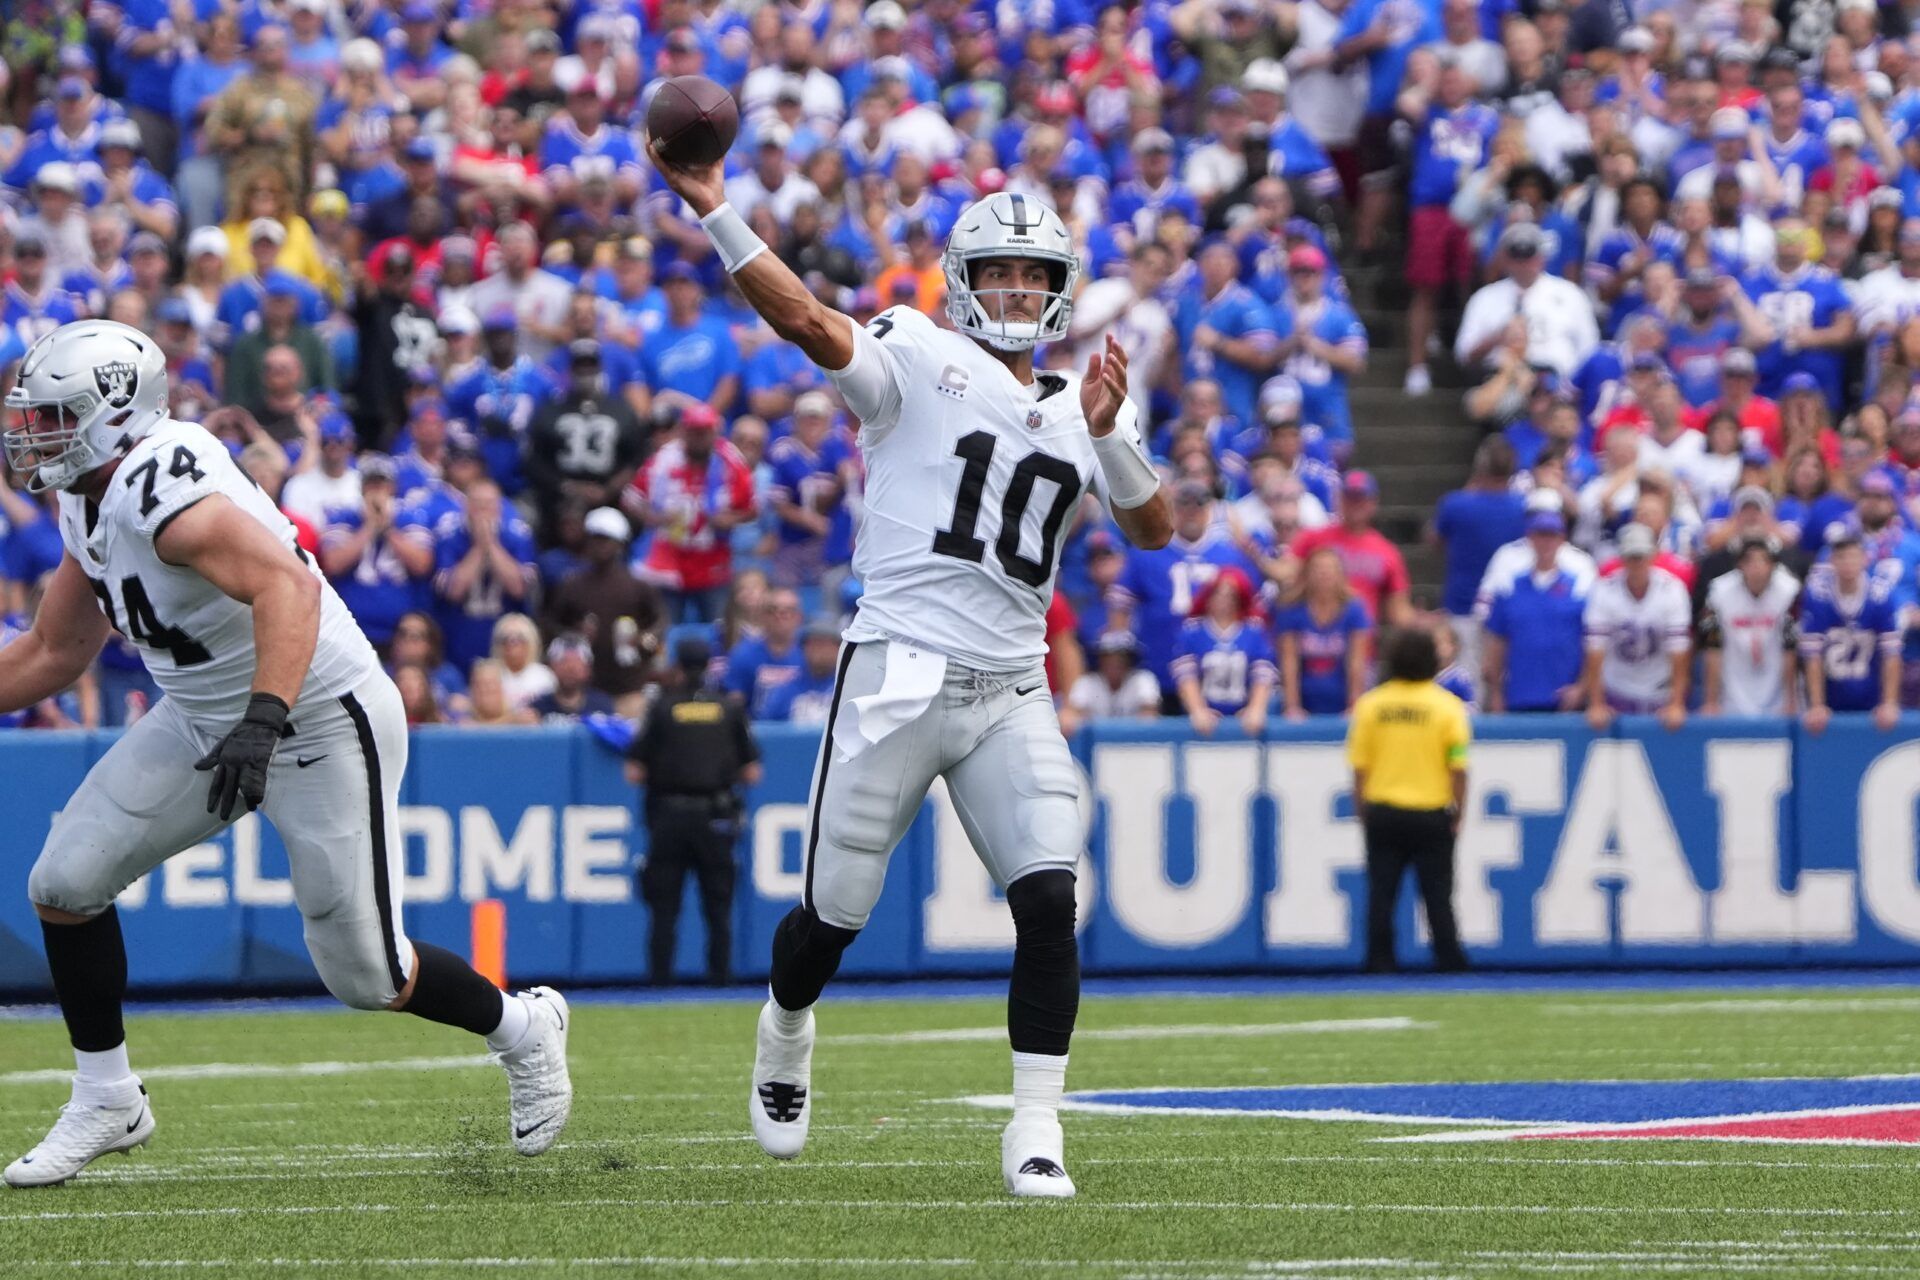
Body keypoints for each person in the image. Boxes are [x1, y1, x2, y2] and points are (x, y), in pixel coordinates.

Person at [648, 140, 1172, 1196]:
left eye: (1034, 275)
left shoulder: (1090, 404)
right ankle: (786, 1025)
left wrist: (1111, 437)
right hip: (899, 666)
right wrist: (716, 208)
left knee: (1048, 898)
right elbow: (806, 319)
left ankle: (1036, 1128)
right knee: (834, 913)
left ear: (1061, 288)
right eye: (999, 273)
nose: (1017, 291)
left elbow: (1155, 527)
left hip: (1010, 687)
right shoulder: (915, 353)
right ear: (963, 284)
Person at [0, 321, 570, 1188]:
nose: (30, 434)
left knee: (369, 974)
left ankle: (523, 1028)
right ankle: (108, 1096)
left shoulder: (162, 489)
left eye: (51, 417)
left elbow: (288, 584)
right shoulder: (88, 488)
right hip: (204, 716)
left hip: (315, 716)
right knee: (65, 885)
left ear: (113, 415)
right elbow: (53, 650)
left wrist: (264, 719)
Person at [624, 635, 762, 986]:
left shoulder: (662, 707)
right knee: (718, 906)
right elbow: (752, 772)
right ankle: (721, 980)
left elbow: (634, 771)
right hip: (715, 816)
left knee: (664, 907)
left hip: (669, 816)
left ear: (678, 665)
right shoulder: (728, 708)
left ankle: (659, 982)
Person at [1347, 626, 1470, 975]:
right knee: (1438, 895)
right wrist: (1458, 810)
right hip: (1431, 812)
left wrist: (1362, 809)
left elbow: (1360, 767)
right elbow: (1458, 767)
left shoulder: (1371, 706)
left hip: (1384, 810)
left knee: (1382, 894)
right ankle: (1449, 960)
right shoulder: (1447, 708)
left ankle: (1379, 960)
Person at [542, 507, 663, 717]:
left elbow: (660, 620)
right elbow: (549, 623)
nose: (601, 547)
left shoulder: (637, 586)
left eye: (607, 540)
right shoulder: (572, 586)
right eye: (596, 540)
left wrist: (645, 637)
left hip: (629, 687)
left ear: (620, 544)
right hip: (585, 694)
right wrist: (573, 634)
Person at [1581, 523, 1693, 731]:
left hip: (1659, 691)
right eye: (1631, 557)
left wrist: (1676, 703)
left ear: (1653, 555)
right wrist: (1596, 702)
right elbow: (1595, 649)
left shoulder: (1672, 590)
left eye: (1641, 556)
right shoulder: (1604, 591)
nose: (1636, 564)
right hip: (1617, 692)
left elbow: (1679, 651)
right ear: (1622, 558)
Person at [1481, 508, 1591, 714]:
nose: (1546, 542)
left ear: (1561, 539)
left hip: (1565, 698)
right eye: (1540, 535)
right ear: (1530, 538)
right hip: (1520, 694)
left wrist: (1582, 687)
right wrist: (1496, 692)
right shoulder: (1510, 588)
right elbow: (1497, 643)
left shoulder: (1578, 589)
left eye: (1551, 535)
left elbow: (1592, 642)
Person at [1800, 533, 1903, 734]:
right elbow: (1813, 655)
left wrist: (1889, 702)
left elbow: (1891, 654)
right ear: (1832, 561)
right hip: (1831, 693)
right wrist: (1817, 704)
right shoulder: (1818, 595)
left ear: (1866, 559)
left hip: (1870, 694)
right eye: (1842, 557)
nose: (1848, 563)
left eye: (1854, 556)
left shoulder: (1880, 595)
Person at [1701, 536, 1800, 718]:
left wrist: (1791, 700)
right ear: (1740, 565)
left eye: (1763, 560)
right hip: (1732, 690)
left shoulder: (1789, 591)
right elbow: (1713, 648)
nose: (1757, 567)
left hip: (1776, 690)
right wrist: (1711, 700)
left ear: (1773, 565)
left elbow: (1790, 649)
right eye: (1750, 560)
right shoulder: (1719, 592)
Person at [1172, 568, 1276, 737]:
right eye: (1218, 594)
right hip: (1204, 718)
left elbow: (1262, 675)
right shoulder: (1192, 632)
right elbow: (1185, 676)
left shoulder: (1253, 632)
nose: (1224, 601)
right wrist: (1198, 710)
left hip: (1242, 714)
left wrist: (1256, 709)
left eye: (1230, 595)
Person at [1275, 546, 1373, 719]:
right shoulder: (1291, 610)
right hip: (1306, 696)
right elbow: (1289, 662)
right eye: (1318, 569)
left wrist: (1354, 704)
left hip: (1341, 694)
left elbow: (1357, 661)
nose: (1324, 574)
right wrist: (1292, 706)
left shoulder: (1354, 609)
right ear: (1307, 574)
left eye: (1329, 569)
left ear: (1340, 575)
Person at [761, 618, 844, 724]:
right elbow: (765, 731)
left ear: (839, 648)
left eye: (823, 643)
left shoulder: (849, 688)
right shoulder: (784, 690)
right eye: (811, 644)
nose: (817, 650)